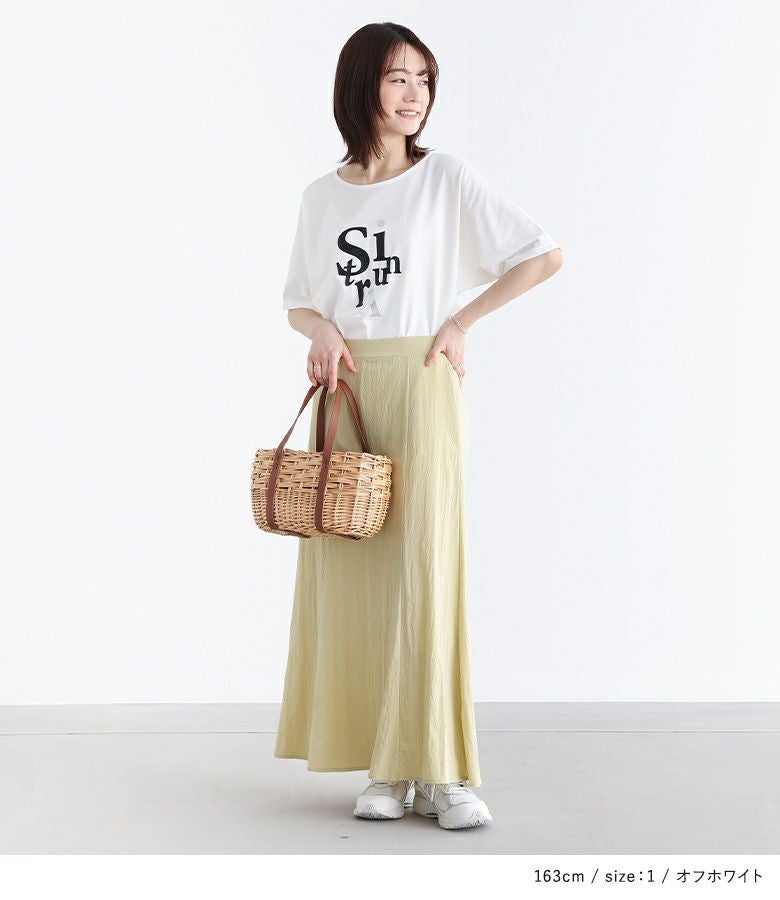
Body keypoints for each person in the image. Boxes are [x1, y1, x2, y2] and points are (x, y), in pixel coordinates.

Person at [274, 22, 563, 831]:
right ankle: (386, 769)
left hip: (423, 379)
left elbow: (542, 254)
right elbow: (299, 299)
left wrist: (461, 321)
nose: (414, 95)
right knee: (355, 575)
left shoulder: (447, 179)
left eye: (425, 80)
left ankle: (440, 770)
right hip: (349, 388)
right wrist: (320, 331)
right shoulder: (321, 197)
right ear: (361, 84)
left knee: (425, 570)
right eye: (398, 78)